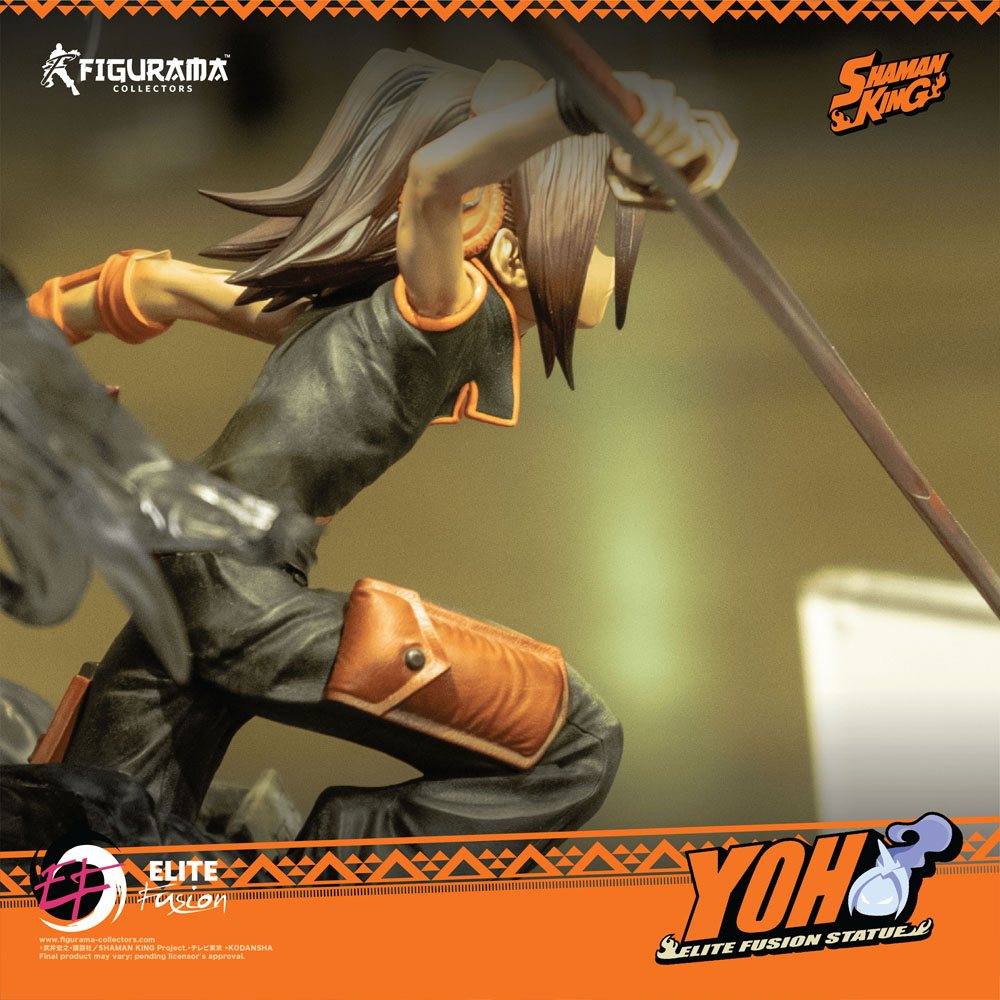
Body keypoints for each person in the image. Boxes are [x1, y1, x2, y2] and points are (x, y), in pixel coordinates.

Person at [27, 50, 736, 842]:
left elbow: (156, 285)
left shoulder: (344, 312)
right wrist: (577, 107)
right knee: (574, 746)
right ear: (497, 242)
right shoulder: (442, 303)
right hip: (233, 590)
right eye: (589, 235)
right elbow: (435, 178)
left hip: (199, 576)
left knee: (98, 828)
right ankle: (336, 871)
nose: (599, 264)